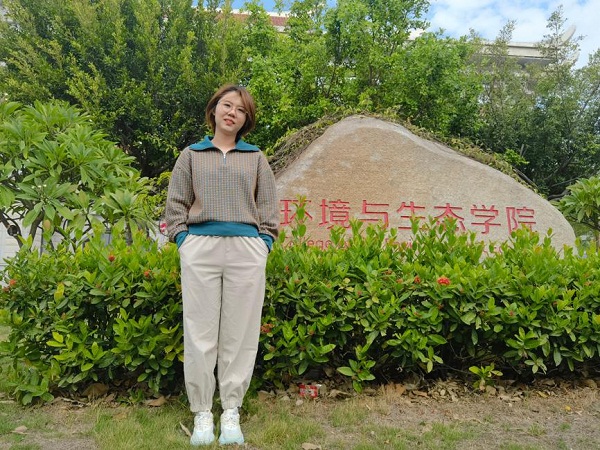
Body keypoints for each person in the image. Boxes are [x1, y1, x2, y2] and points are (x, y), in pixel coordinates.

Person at [164, 84, 279, 446]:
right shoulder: (191, 155)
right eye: (227, 105)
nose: (232, 113)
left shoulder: (256, 158)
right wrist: (184, 241)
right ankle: (202, 412)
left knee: (240, 332)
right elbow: (175, 205)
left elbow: (269, 208)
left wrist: (263, 243)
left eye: (241, 110)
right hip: (201, 248)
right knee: (199, 331)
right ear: (214, 109)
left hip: (247, 249)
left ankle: (231, 410)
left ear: (246, 119)